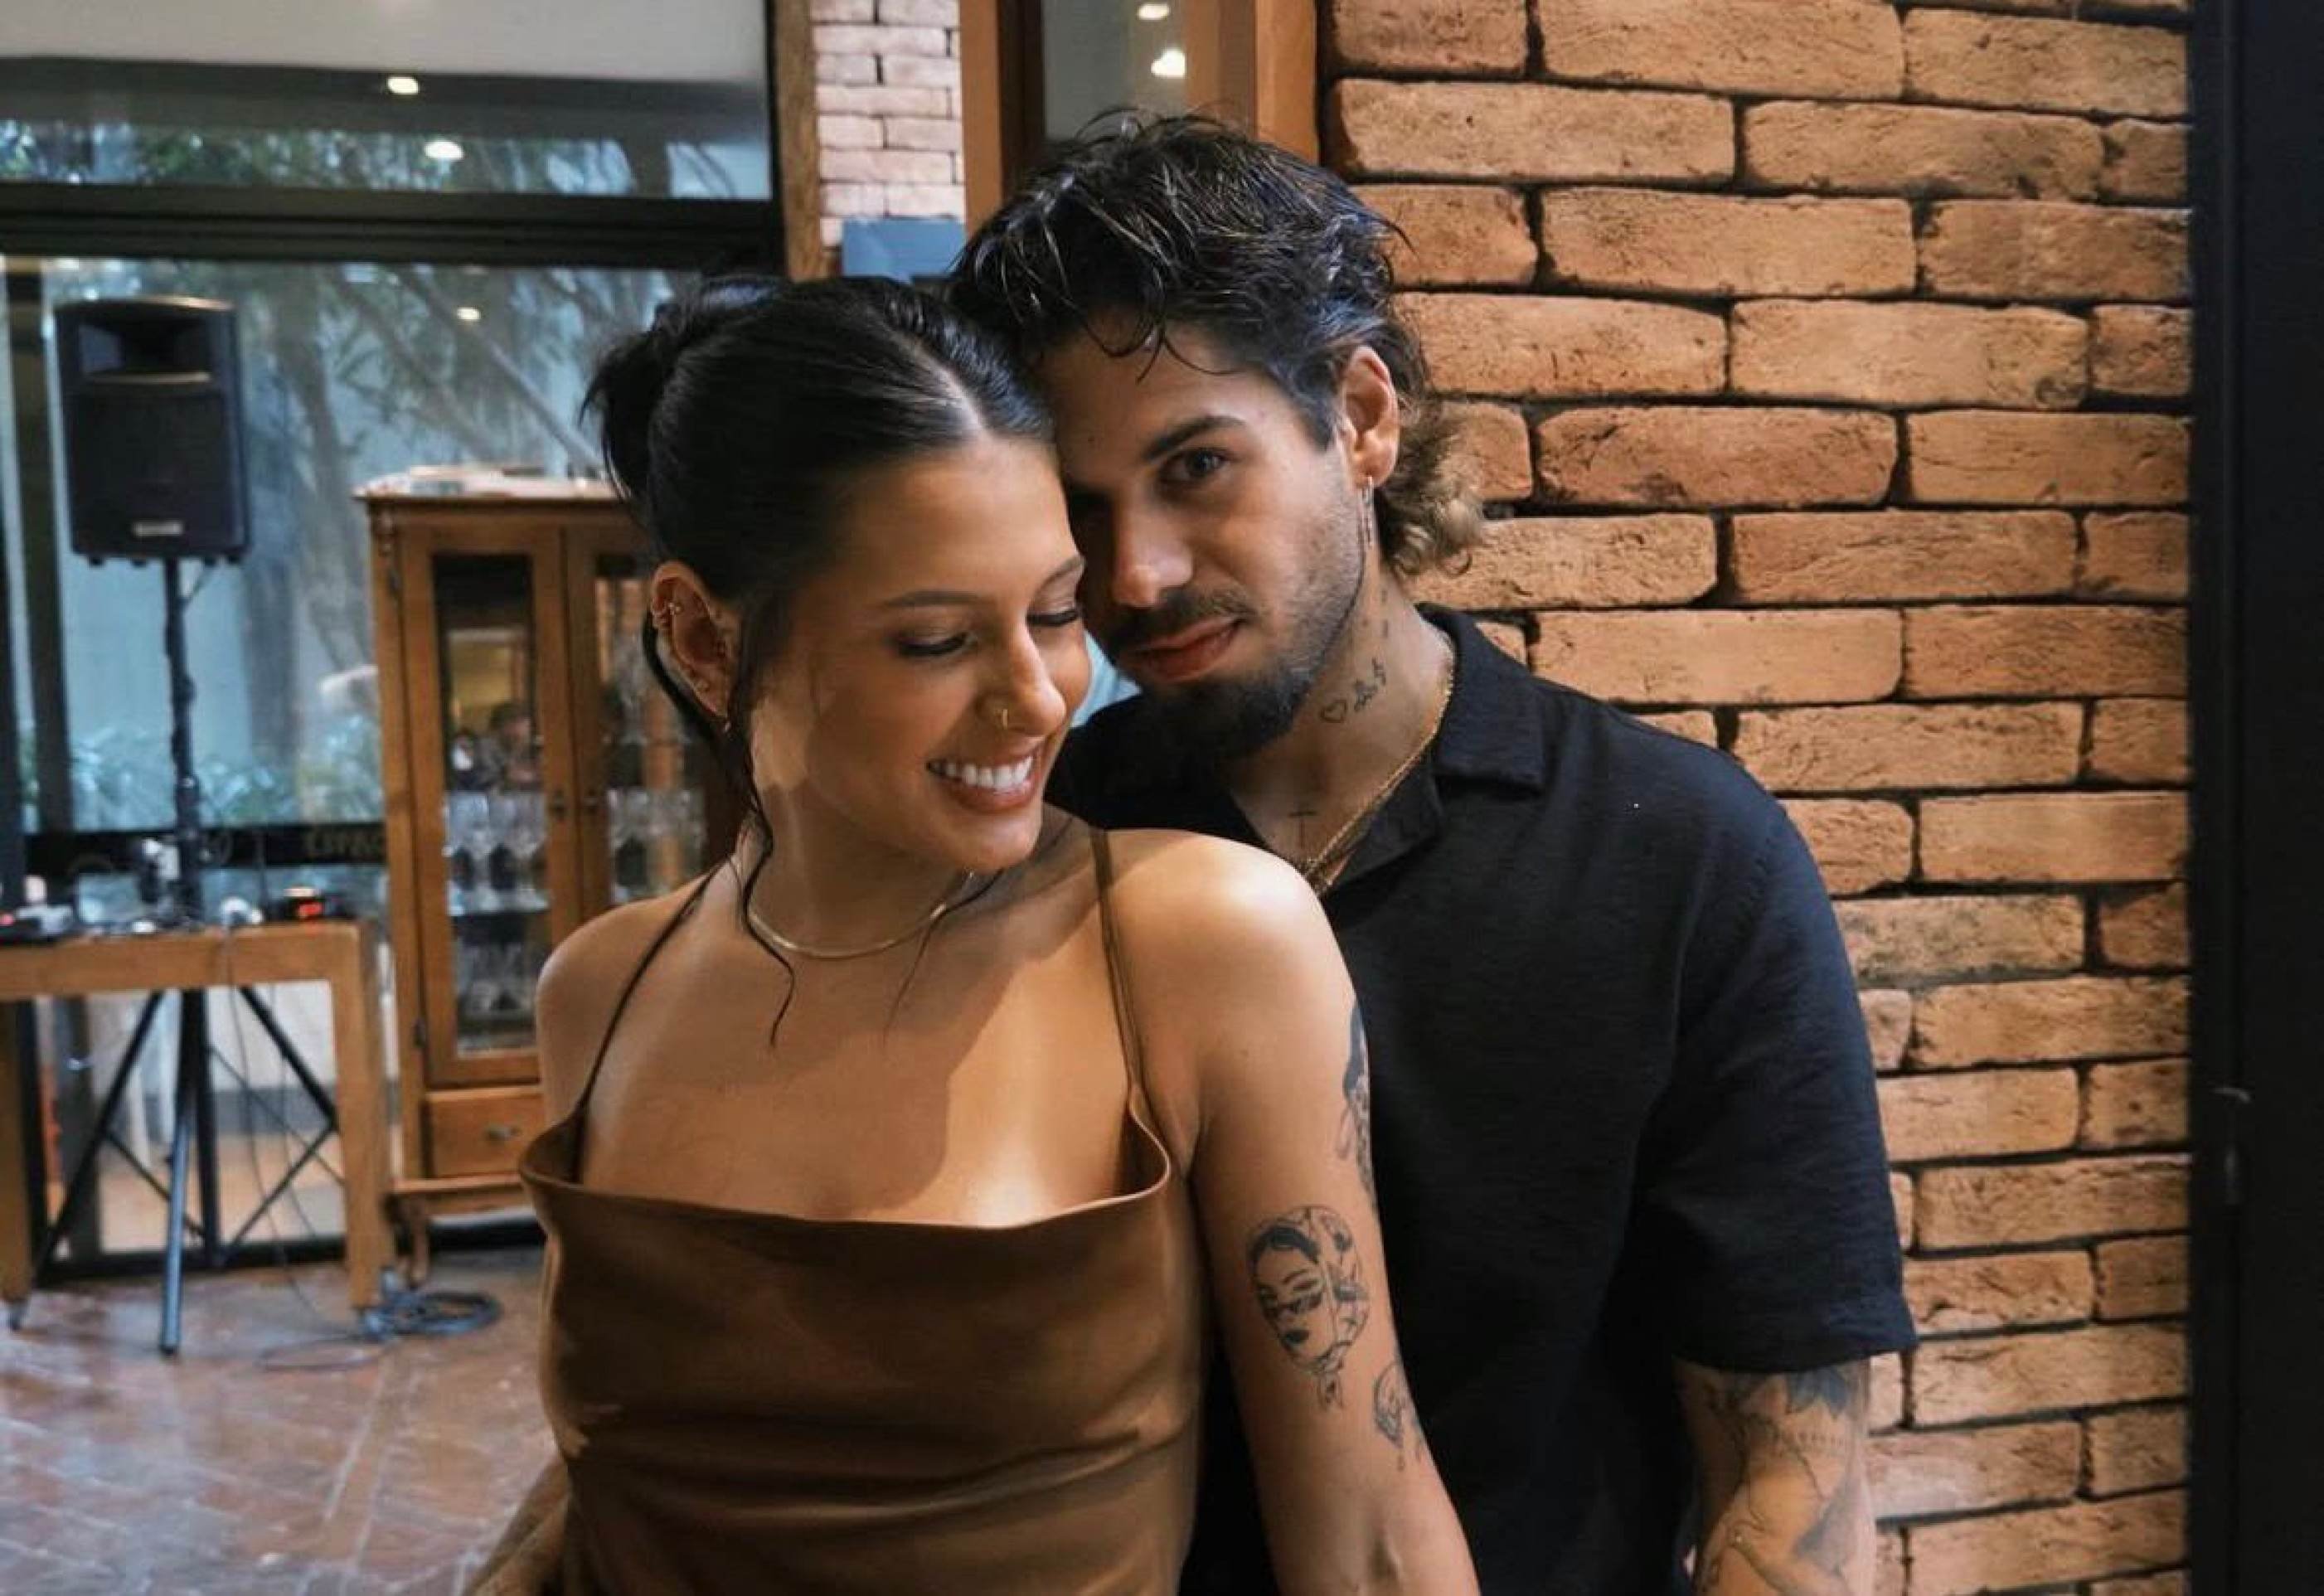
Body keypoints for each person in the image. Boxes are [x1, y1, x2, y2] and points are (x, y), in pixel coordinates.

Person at [952, 117, 1916, 1594]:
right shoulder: (1041, 845)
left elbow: (1787, 1484)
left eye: (1196, 466)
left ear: (1360, 417)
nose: (1137, 572)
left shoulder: (1680, 860)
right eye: (1084, 510)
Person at [469, 274, 1477, 1594]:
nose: (1039, 695)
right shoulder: (602, 992)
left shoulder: (1196, 945)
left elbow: (1369, 1536)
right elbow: (617, 1482)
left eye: (1054, 612)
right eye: (938, 639)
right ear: (704, 639)